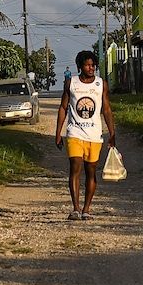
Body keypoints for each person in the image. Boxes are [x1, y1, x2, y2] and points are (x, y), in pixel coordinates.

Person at [54, 49, 116, 221]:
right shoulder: (71, 83)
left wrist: (112, 132)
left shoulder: (100, 84)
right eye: (87, 65)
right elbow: (63, 108)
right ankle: (75, 208)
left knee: (91, 172)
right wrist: (58, 133)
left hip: (94, 135)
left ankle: (87, 208)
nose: (91, 68)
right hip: (74, 132)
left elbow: (106, 109)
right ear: (80, 66)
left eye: (93, 65)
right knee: (75, 168)